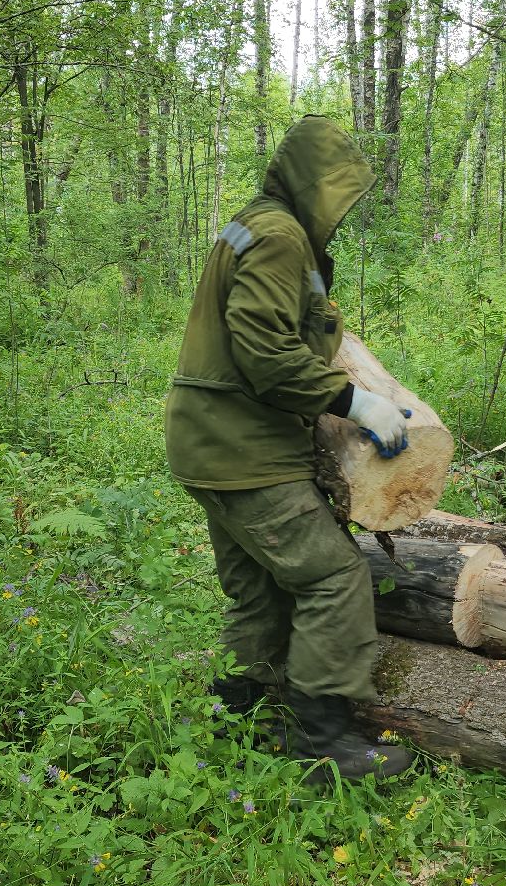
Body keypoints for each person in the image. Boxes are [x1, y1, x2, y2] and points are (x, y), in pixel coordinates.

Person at [165, 115, 416, 783]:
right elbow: (265, 350)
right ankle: (322, 742)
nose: (343, 207)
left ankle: (239, 714)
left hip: (206, 442)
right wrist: (356, 402)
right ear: (313, 184)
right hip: (242, 449)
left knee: (259, 592)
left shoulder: (257, 223)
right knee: (334, 576)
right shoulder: (279, 237)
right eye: (337, 190)